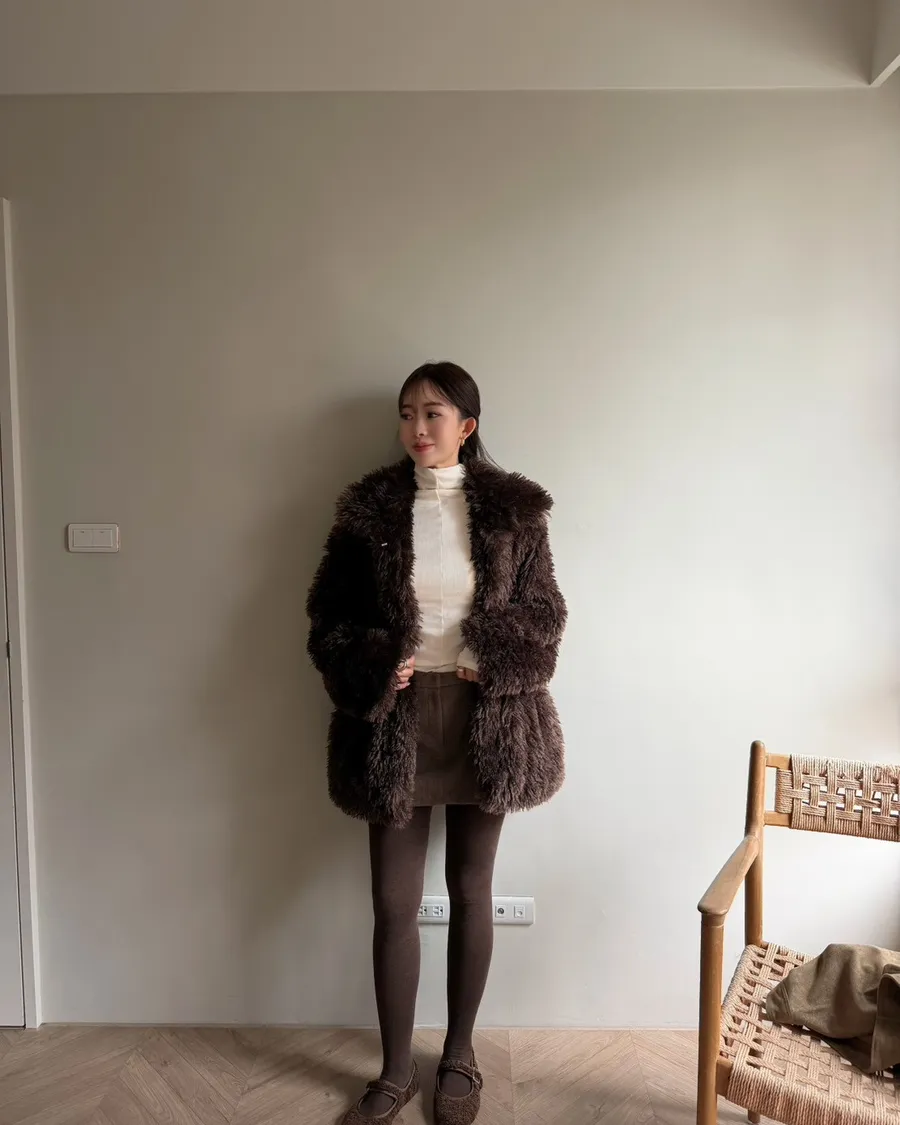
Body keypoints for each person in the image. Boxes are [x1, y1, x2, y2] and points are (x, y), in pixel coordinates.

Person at [307, 361, 566, 1124]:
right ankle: (394, 1071)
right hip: (396, 719)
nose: (417, 428)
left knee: (471, 890)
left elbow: (546, 615)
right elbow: (328, 623)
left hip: (489, 719)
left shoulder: (516, 512)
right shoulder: (367, 514)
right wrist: (376, 662)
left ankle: (459, 1056)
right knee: (393, 902)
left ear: (467, 425)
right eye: (407, 413)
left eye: (433, 413)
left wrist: (495, 652)